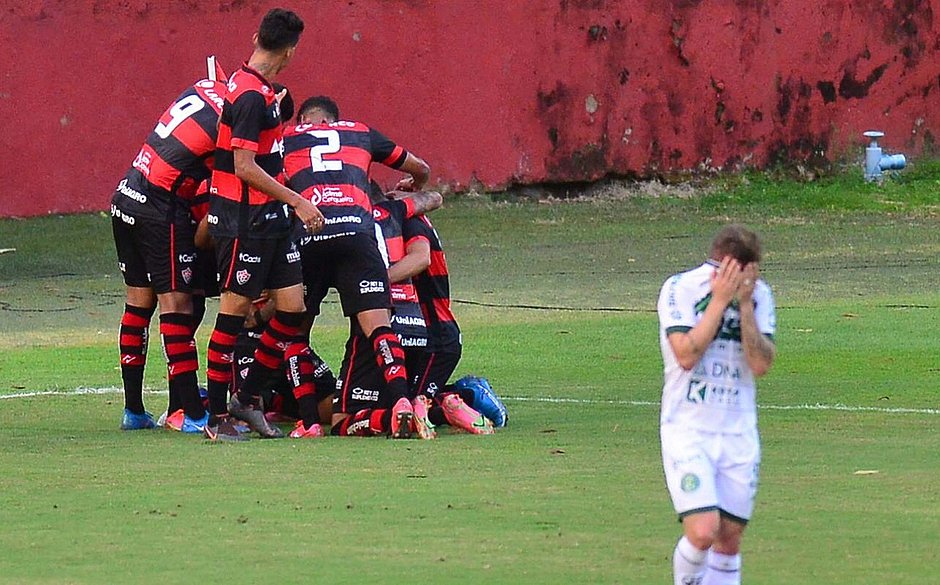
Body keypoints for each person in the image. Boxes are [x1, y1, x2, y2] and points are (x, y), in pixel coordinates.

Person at [204, 8, 324, 440]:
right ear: (290, 51)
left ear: (257, 37)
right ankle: (218, 417)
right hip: (244, 222)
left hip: (271, 221)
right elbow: (244, 166)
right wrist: (298, 201)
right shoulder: (251, 96)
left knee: (292, 309)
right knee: (233, 314)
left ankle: (246, 398)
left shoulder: (254, 86)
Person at [281, 95, 431, 438]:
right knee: (378, 328)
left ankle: (308, 424)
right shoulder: (361, 133)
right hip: (357, 234)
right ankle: (401, 404)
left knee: (293, 334)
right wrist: (416, 185)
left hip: (311, 232)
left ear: (304, 118)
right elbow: (420, 168)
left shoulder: (287, 137)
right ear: (336, 119)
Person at [656, 224, 776, 585]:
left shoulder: (759, 296)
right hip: (688, 431)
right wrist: (721, 300)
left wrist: (744, 304)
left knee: (729, 538)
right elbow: (686, 354)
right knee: (704, 530)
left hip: (738, 433)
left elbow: (761, 364)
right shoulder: (680, 288)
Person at [110, 76, 227, 432]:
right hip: (161, 209)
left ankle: (133, 412)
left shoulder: (207, 88)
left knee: (139, 304)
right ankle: (191, 414)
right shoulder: (235, 118)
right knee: (179, 306)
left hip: (127, 192)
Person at [399, 207, 506, 431]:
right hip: (425, 332)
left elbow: (421, 259)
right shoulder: (413, 221)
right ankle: (458, 397)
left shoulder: (411, 224)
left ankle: (470, 396)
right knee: (404, 397)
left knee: (411, 409)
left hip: (436, 336)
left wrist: (379, 279)